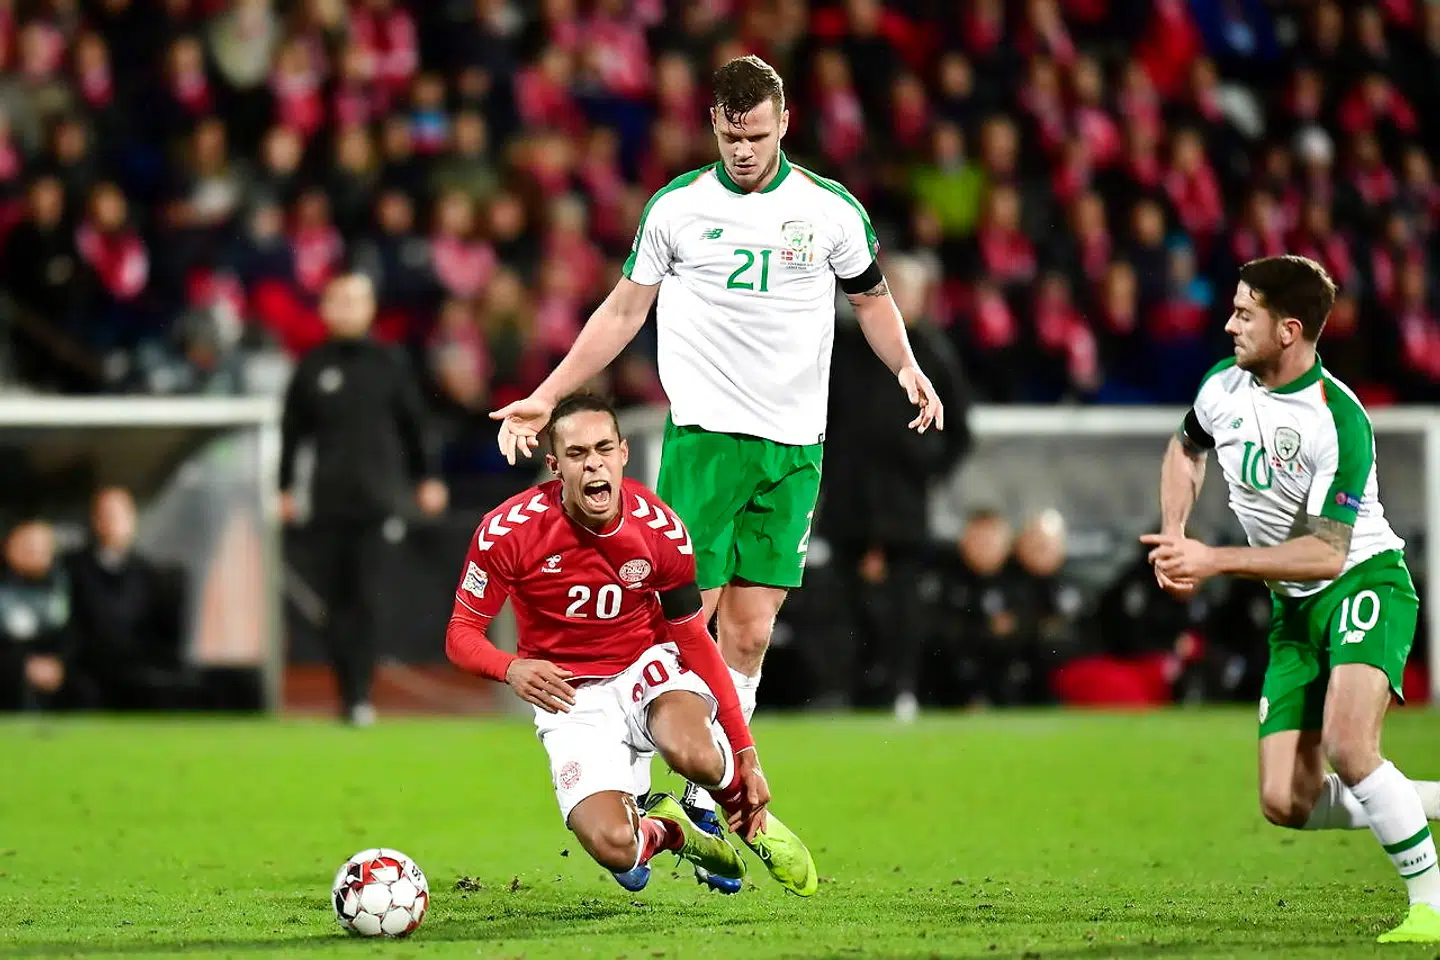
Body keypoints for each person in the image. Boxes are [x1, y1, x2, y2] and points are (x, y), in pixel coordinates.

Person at [488, 55, 945, 884]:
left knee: (753, 628)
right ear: (713, 126)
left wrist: (906, 366)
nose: (743, 149)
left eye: (757, 134)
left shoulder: (830, 211)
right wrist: (545, 397)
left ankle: (702, 801)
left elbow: (872, 300)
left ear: (784, 123)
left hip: (797, 445)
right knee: (677, 616)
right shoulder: (679, 210)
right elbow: (624, 307)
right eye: (731, 135)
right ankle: (636, 784)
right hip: (705, 439)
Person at [1144, 255, 1440, 943]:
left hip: (1363, 582)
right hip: (1294, 606)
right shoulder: (1223, 386)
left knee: (1348, 744)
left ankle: (1429, 902)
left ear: (1290, 330)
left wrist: (1212, 559)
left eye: (1245, 313)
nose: (1228, 324)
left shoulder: (1338, 419)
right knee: (1286, 801)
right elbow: (1186, 448)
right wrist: (1174, 531)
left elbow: (1327, 552)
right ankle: (1415, 801)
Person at [445, 394, 818, 897]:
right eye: (577, 454)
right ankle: (671, 830)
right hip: (570, 697)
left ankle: (747, 816)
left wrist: (745, 749)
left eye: (603, 448)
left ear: (623, 453)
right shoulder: (508, 533)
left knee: (696, 754)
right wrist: (511, 668)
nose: (593, 462)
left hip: (645, 667)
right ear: (555, 467)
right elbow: (461, 634)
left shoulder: (660, 530)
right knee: (615, 845)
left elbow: (694, 640)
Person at [278, 272, 448, 726]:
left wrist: (426, 478)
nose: (347, 308)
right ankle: (345, 694)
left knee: (368, 599)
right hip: (328, 502)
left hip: (378, 503)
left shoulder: (390, 364)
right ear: (325, 307)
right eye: (339, 299)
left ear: (370, 308)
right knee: (334, 602)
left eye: (356, 299)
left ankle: (360, 695)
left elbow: (415, 425)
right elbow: (292, 435)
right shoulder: (312, 367)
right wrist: (283, 489)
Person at [66, 486, 191, 710]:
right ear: (95, 520)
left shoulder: (151, 575)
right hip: (87, 672)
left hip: (137, 673)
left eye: (120, 514)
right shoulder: (72, 569)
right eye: (106, 514)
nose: (114, 522)